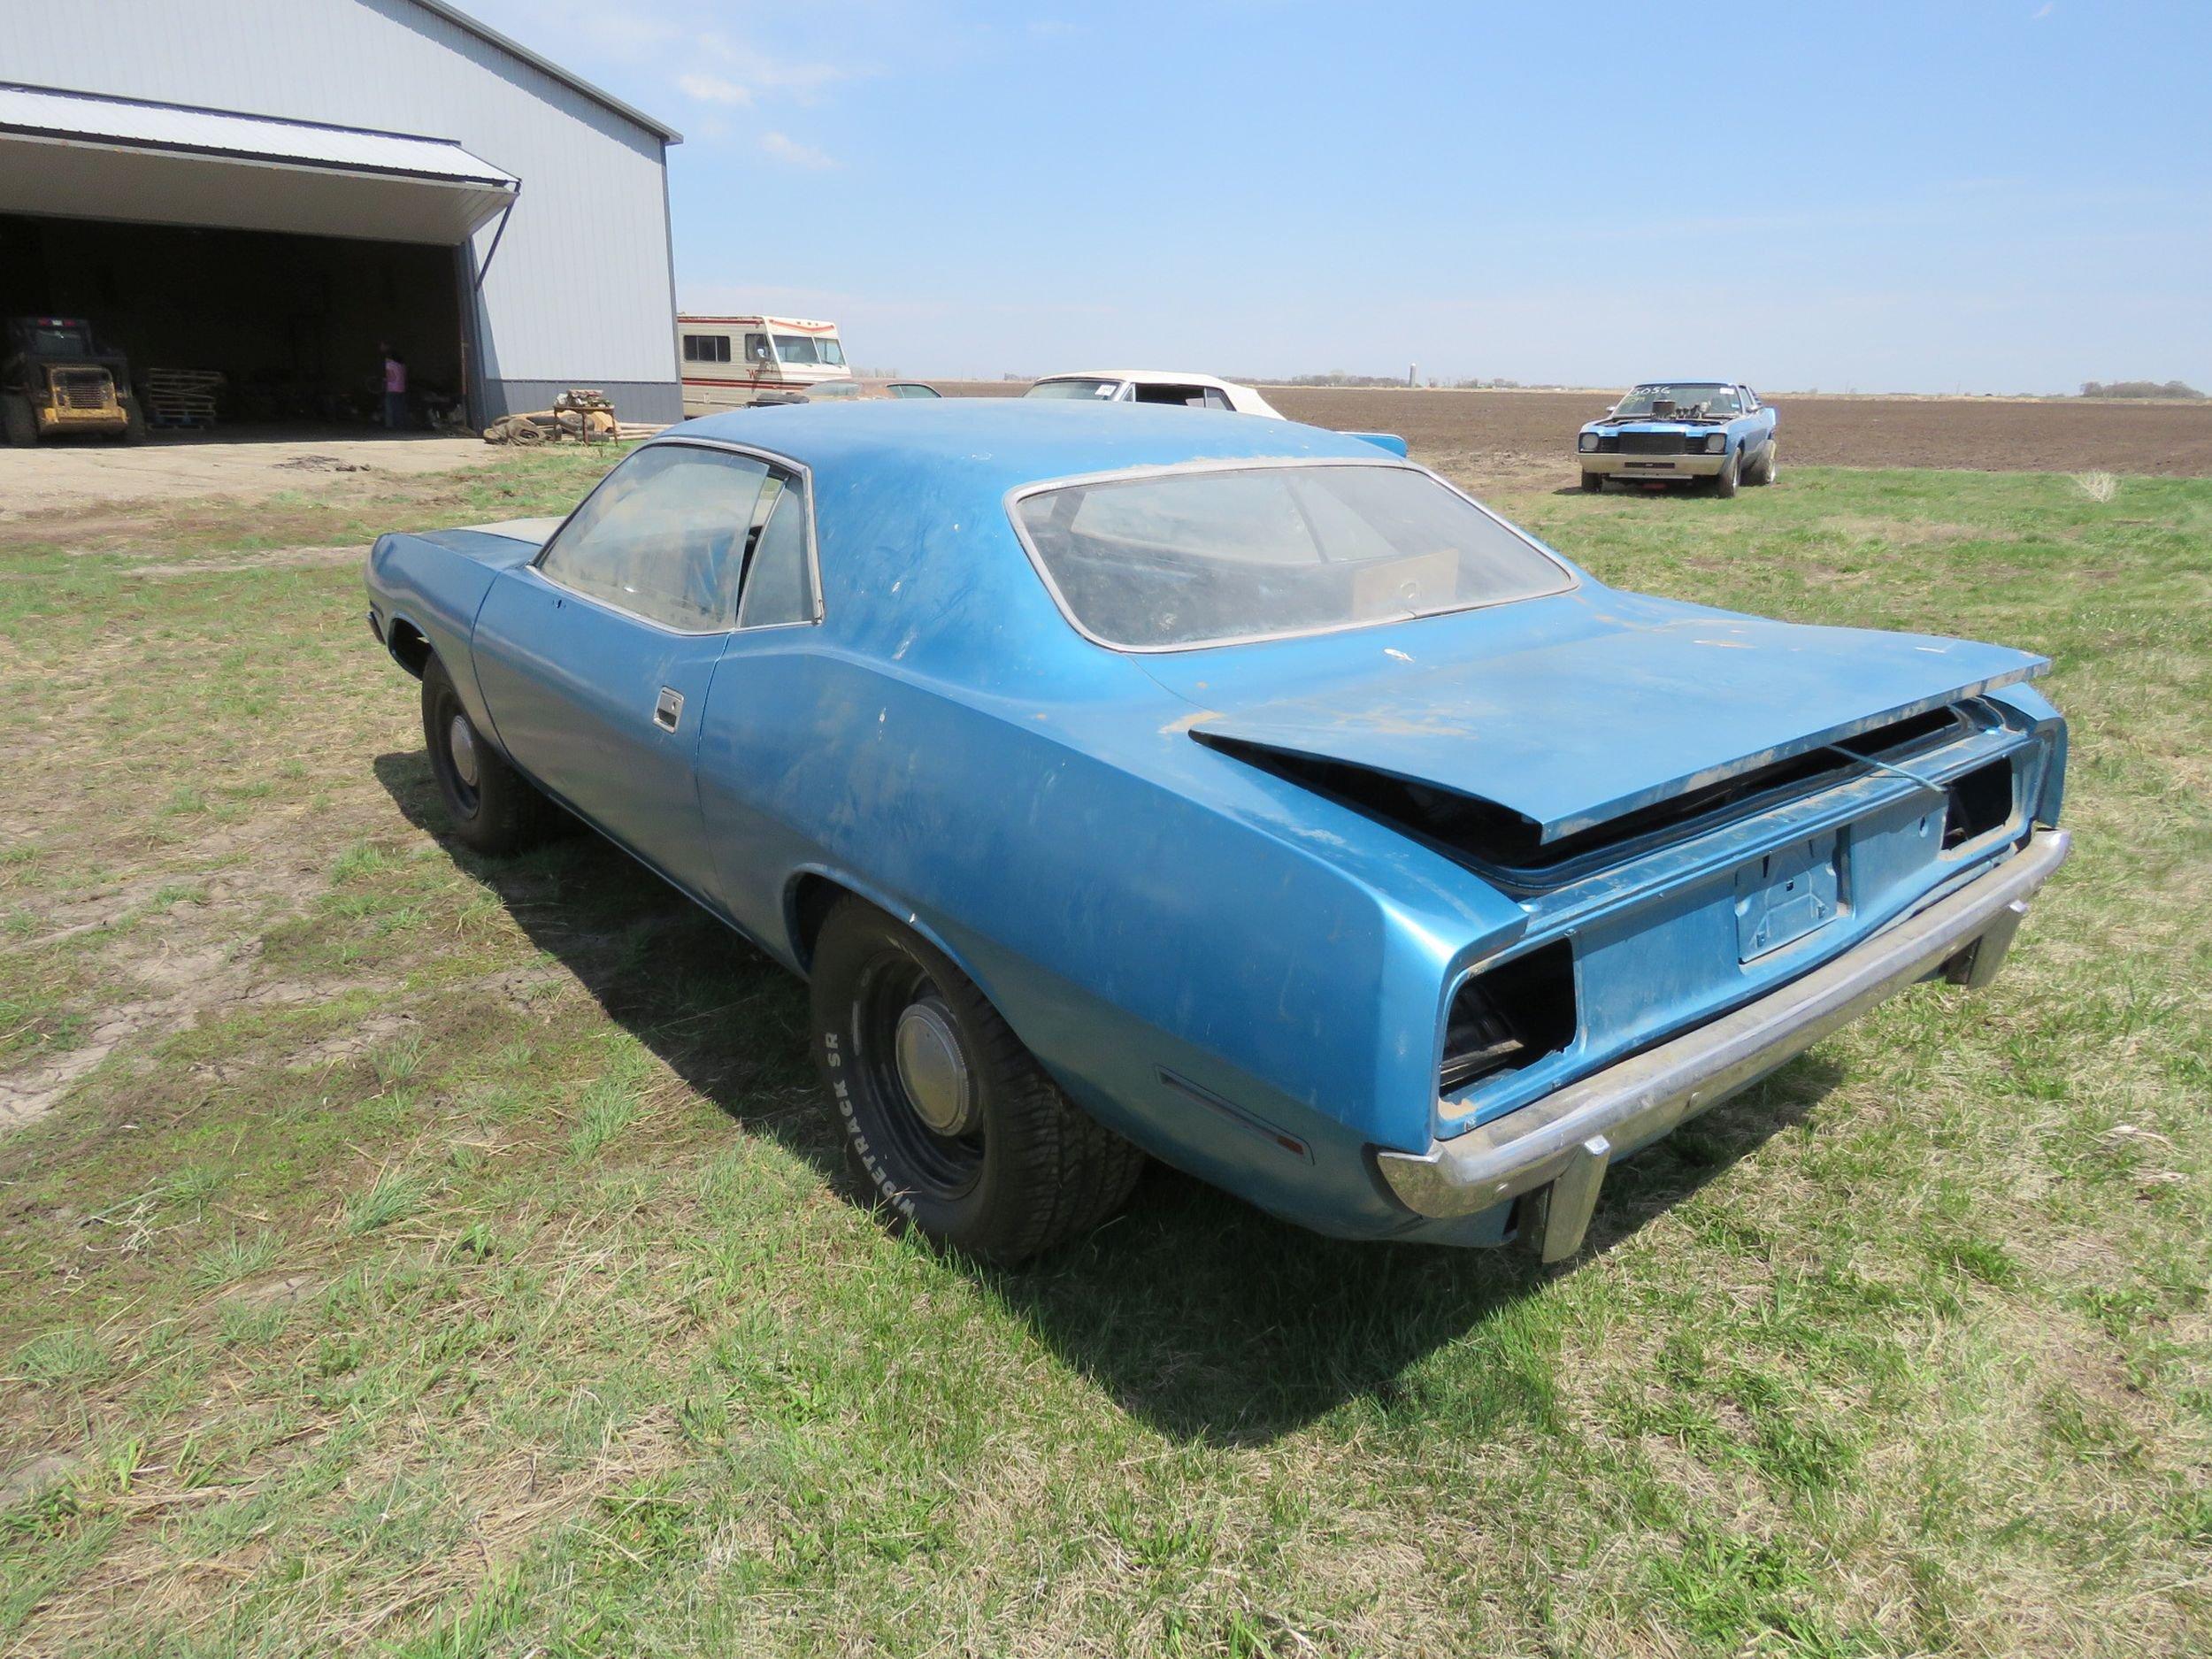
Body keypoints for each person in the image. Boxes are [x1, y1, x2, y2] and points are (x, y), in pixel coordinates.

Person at [380, 346, 408, 430]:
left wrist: (384, 379)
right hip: (401, 388)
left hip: (391, 388)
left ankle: (390, 425)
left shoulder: (389, 363)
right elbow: (404, 376)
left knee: (389, 408)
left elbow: (391, 377)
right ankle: (400, 424)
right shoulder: (402, 365)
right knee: (399, 407)